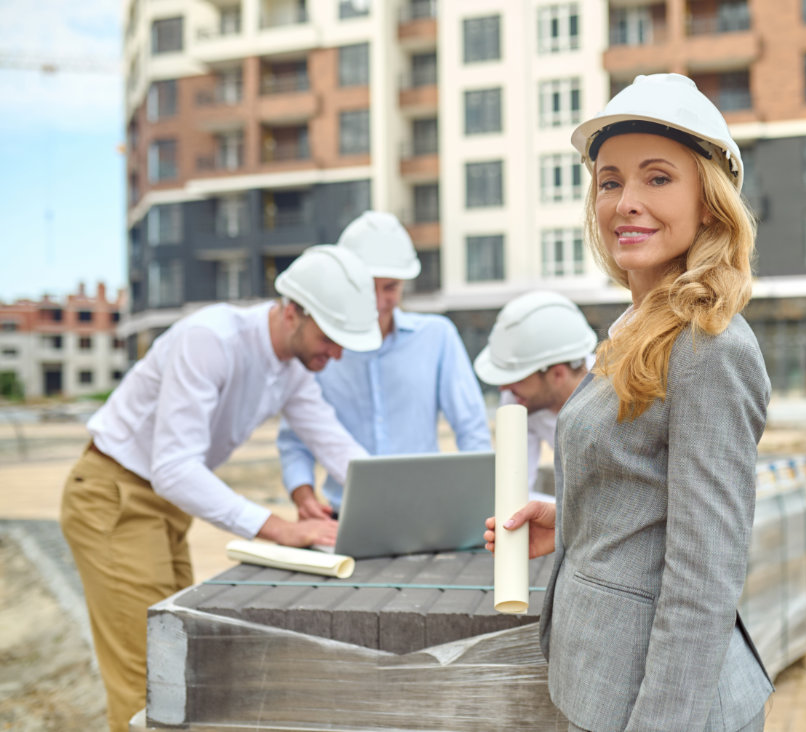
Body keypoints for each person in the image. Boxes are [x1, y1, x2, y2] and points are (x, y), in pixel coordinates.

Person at [485, 73, 773, 731]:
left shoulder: (709, 347)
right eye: (610, 181)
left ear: (709, 201)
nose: (626, 202)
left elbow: (704, 578)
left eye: (658, 178)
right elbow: (653, 486)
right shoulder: (639, 326)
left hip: (656, 704)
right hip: (606, 681)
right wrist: (576, 519)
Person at [60, 245, 381, 732]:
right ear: (292, 310)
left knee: (179, 655)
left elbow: (337, 445)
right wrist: (277, 528)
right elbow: (173, 467)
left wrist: (394, 506)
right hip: (113, 496)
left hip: (162, 506)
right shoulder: (210, 339)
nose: (336, 354)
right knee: (146, 676)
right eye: (331, 337)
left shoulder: (292, 368)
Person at [277, 211, 491, 518]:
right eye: (367, 287)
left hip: (426, 513)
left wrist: (480, 500)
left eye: (389, 287)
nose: (378, 301)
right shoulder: (317, 349)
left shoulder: (437, 337)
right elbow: (296, 438)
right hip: (343, 513)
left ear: (404, 283)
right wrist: (304, 496)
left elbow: (472, 430)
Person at [473, 291, 598, 499]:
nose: (504, 388)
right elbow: (513, 488)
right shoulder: (518, 398)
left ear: (557, 374)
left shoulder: (615, 396)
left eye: (517, 378)